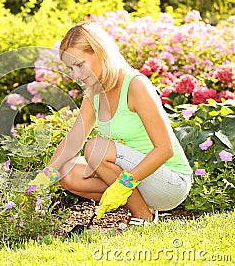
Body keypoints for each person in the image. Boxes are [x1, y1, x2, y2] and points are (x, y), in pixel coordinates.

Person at [30, 21, 193, 226]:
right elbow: (74, 140)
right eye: (71, 68)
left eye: (80, 64)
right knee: (66, 171)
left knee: (97, 148)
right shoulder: (94, 93)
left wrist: (124, 185)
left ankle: (143, 217)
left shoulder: (135, 85)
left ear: (100, 52)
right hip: (138, 180)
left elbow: (165, 150)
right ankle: (142, 210)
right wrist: (44, 178)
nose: (76, 75)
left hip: (170, 182)